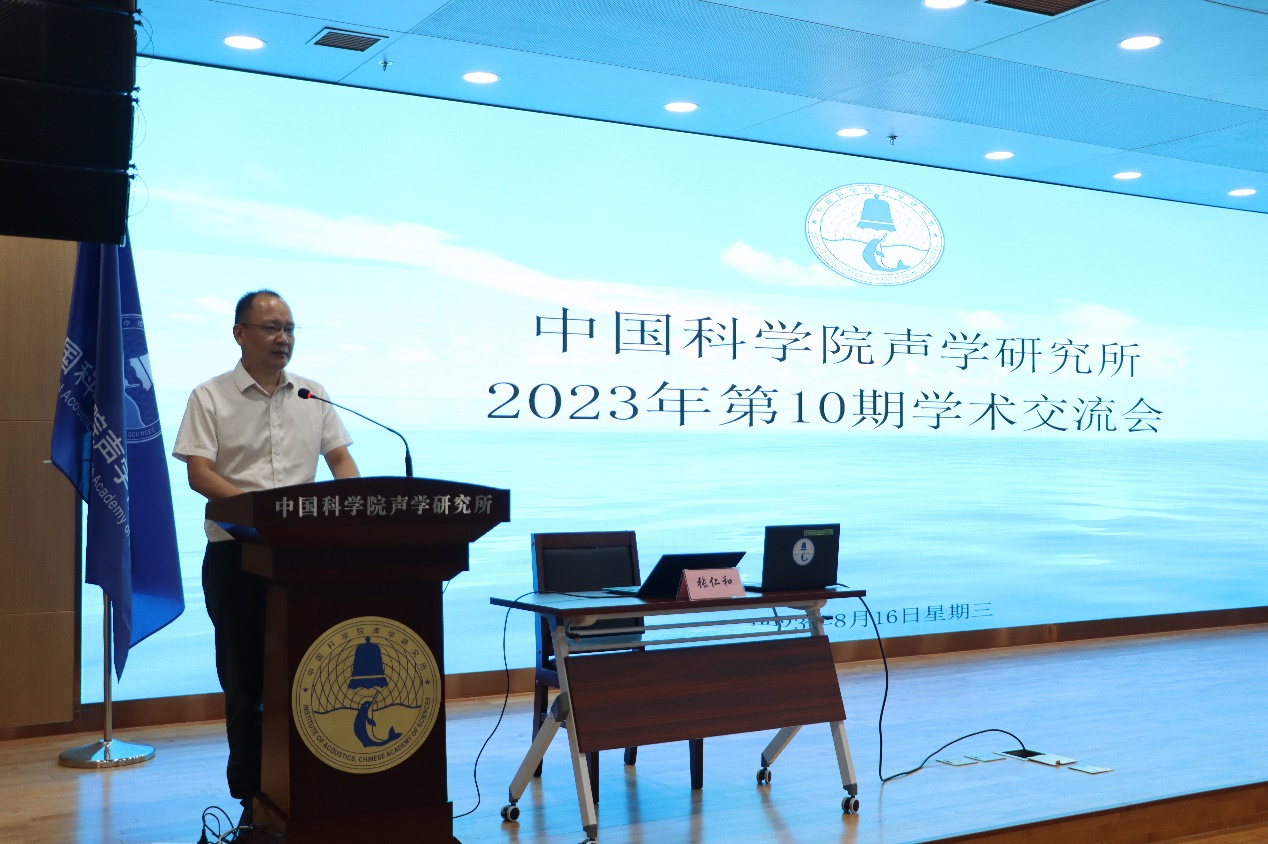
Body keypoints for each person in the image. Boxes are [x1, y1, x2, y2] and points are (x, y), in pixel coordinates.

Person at [172, 290, 359, 829]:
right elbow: (199, 474)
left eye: (290, 329)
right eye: (271, 328)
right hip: (238, 558)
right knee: (246, 682)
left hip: (303, 562)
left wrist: (356, 509)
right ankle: (253, 799)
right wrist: (261, 519)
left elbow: (340, 459)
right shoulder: (210, 396)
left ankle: (312, 782)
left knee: (312, 676)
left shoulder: (312, 394)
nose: (283, 338)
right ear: (240, 334)